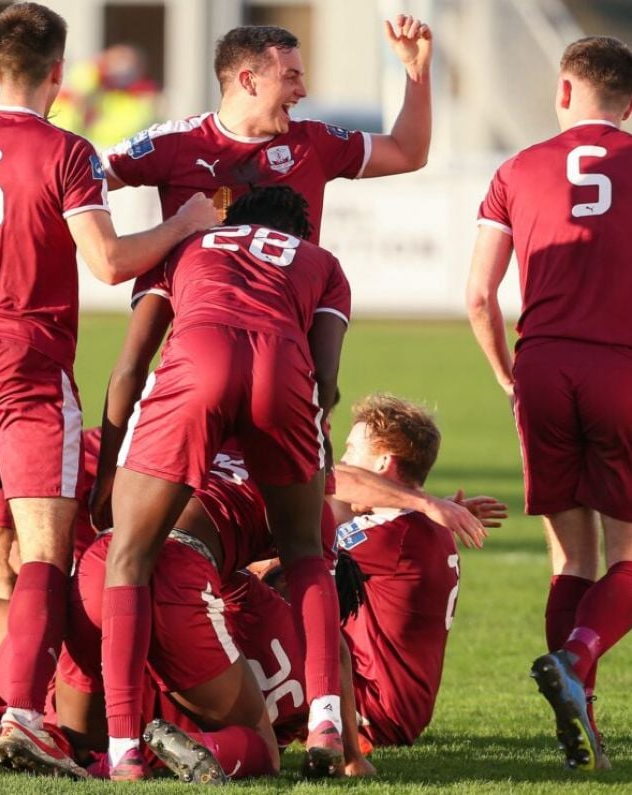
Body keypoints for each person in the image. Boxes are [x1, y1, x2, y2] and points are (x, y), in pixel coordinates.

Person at [0, 2, 216, 778]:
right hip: (26, 358)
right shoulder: (67, 151)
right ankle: (27, 719)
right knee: (40, 551)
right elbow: (106, 262)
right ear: (59, 73)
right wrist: (184, 222)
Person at [94, 185, 351, 781]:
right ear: (301, 233)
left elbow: (130, 368)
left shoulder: (188, 245)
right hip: (283, 366)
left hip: (198, 353)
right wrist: (313, 448)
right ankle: (327, 723)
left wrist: (109, 470)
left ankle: (125, 750)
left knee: (128, 557)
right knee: (306, 552)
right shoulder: (323, 264)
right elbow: (328, 380)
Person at [465, 35, 632, 773]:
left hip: (541, 365)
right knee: (626, 554)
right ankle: (574, 655)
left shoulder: (513, 168)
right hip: (619, 366)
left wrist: (508, 374)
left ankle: (581, 722)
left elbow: (476, 296)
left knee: (570, 556)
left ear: (563, 92)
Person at [101, 15, 432, 240]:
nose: (302, 91)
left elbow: (407, 153)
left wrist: (416, 71)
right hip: (203, 335)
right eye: (290, 77)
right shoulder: (175, 142)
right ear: (249, 81)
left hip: (286, 336)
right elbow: (78, 184)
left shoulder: (313, 143)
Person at [330, 393, 503, 747]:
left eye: (351, 449)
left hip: (370, 712)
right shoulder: (417, 526)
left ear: (383, 464)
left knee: (252, 584)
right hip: (391, 708)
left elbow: (326, 479)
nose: (344, 458)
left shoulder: (395, 535)